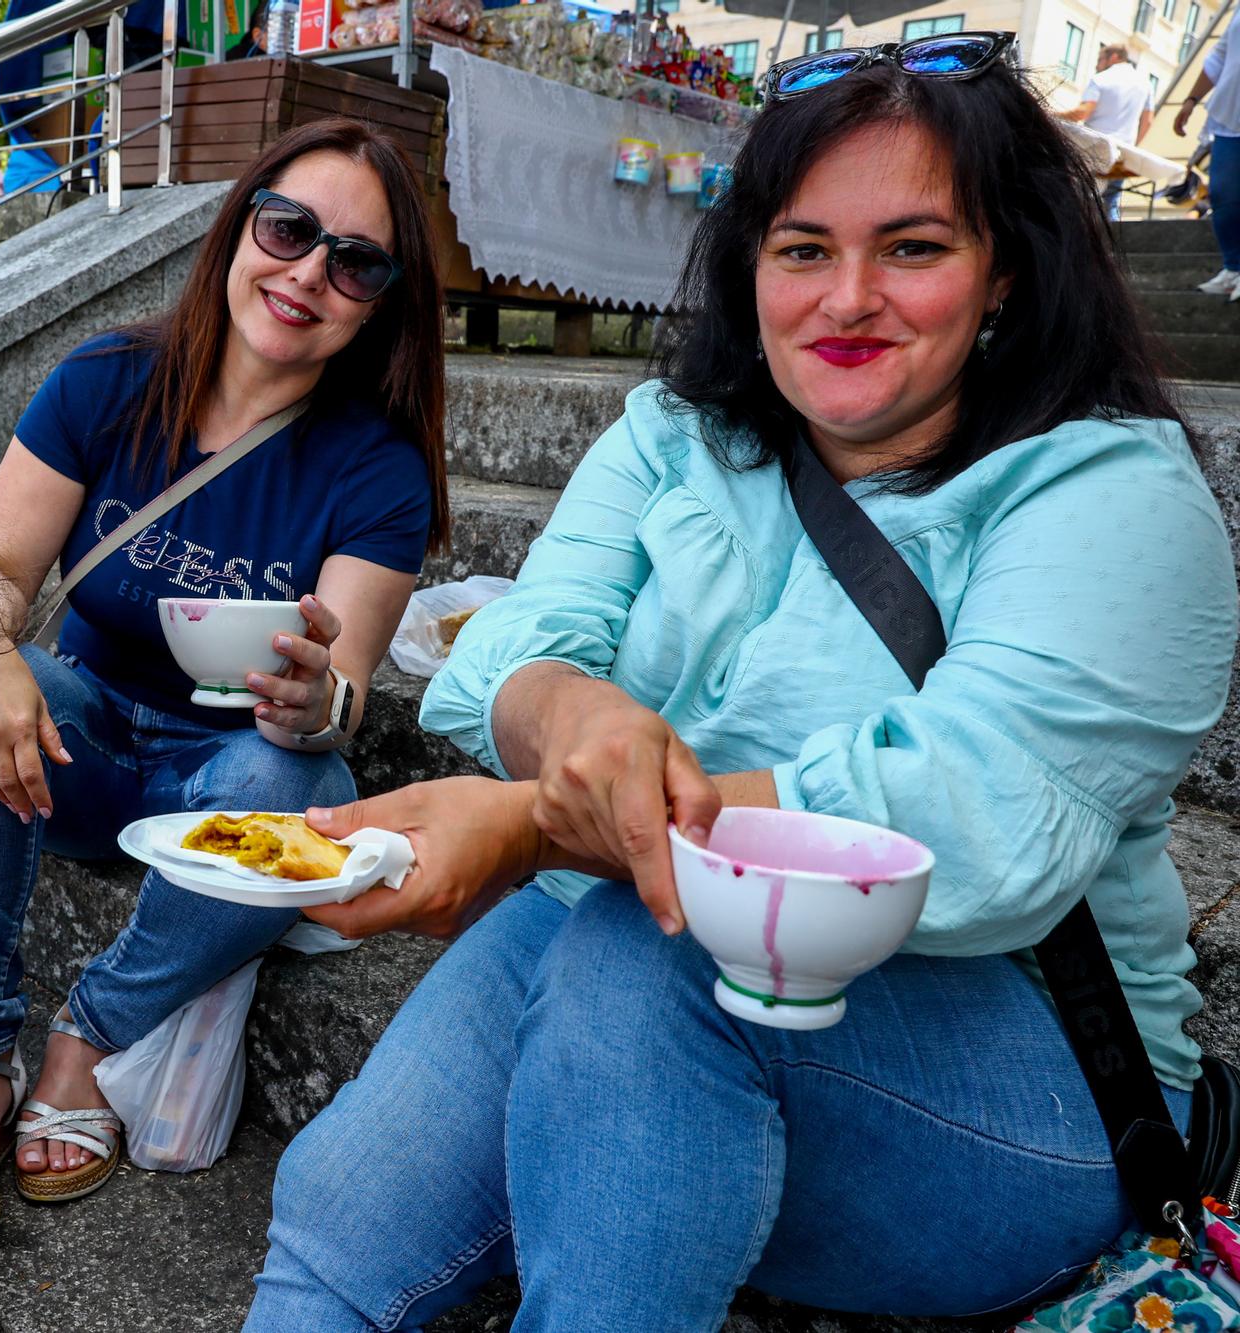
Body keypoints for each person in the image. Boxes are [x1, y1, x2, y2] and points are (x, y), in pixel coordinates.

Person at [246, 34, 1238, 1330]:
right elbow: (498, 652)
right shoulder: (678, 438)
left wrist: (547, 819)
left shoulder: (1111, 492)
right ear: (751, 264)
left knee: (650, 954)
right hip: (632, 943)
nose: (849, 296)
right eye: (804, 247)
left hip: (1029, 1075)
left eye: (916, 248)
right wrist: (572, 712)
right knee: (336, 1220)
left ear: (1004, 270)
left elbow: (984, 819)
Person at [0, 117, 450, 1235]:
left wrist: (320, 697)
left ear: (380, 301)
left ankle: (82, 1040)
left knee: (287, 769)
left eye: (355, 261)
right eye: (290, 228)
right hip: (76, 746)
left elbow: (353, 682)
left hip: (224, 780)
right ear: (240, 224)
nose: (309, 271)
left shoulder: (376, 464)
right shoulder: (105, 381)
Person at [1175, 22, 1240, 297]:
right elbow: (1219, 57)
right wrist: (1191, 99)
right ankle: (1233, 268)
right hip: (1231, 120)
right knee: (1223, 194)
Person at [1055, 43, 1154, 220]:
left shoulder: (1101, 79)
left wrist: (1050, 115)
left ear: (1114, 57)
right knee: (1112, 201)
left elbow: (1082, 112)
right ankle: (1112, 243)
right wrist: (1134, 145)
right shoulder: (1145, 84)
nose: (1097, 65)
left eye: (1100, 59)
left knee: (1081, 197)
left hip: (1094, 148)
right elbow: (1148, 121)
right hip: (1123, 151)